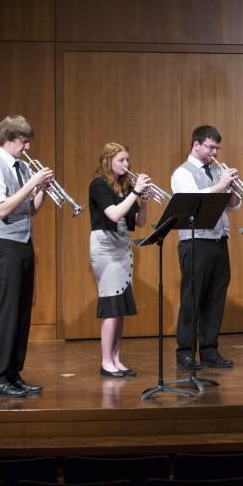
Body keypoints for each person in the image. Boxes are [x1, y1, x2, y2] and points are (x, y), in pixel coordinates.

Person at [0, 115, 53, 397]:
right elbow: (2, 210)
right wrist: (31, 182)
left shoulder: (21, 166)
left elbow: (28, 210)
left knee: (21, 313)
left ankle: (13, 373)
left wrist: (41, 191)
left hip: (23, 243)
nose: (27, 148)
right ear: (9, 140)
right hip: (2, 246)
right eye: (24, 142)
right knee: (6, 313)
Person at [170, 125, 241, 369]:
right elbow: (192, 201)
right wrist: (221, 185)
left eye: (217, 148)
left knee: (215, 298)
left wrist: (231, 189)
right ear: (196, 145)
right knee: (192, 298)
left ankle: (210, 350)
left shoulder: (215, 170)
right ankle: (186, 352)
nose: (214, 152)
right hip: (195, 240)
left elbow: (233, 207)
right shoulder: (182, 173)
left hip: (219, 240)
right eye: (210, 147)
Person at [88, 142, 151, 377]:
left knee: (121, 307)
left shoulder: (125, 187)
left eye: (127, 160)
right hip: (105, 247)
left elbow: (140, 222)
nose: (126, 164)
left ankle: (116, 358)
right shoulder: (99, 185)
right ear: (108, 161)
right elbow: (114, 214)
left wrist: (142, 200)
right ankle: (106, 362)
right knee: (111, 307)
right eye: (121, 160)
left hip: (123, 247)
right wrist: (135, 192)